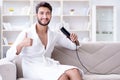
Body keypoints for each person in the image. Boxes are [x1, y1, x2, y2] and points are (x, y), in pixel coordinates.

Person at [6, 1, 83, 80]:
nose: (45, 16)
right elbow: (8, 56)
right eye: (41, 13)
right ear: (37, 15)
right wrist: (21, 44)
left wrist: (75, 40)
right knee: (63, 77)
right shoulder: (27, 33)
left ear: (51, 15)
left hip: (48, 65)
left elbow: (73, 47)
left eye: (48, 13)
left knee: (75, 71)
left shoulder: (54, 34)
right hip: (32, 68)